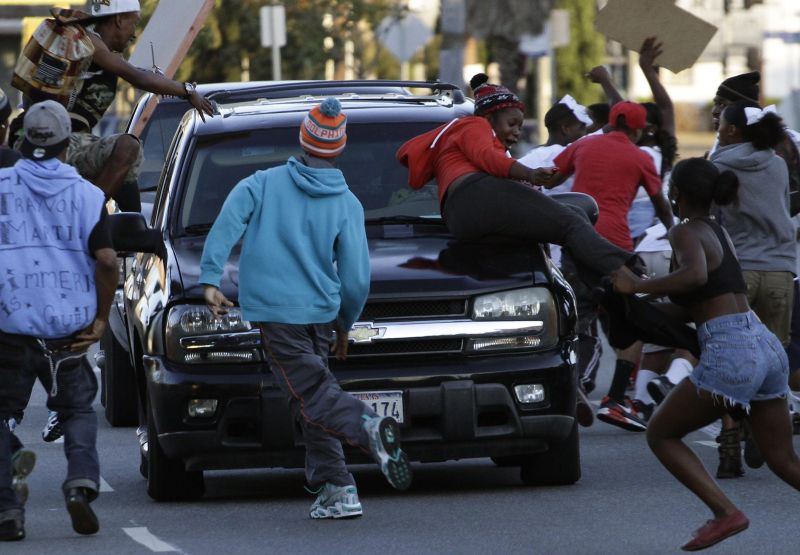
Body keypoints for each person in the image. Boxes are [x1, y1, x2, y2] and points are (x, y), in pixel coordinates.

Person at [200, 98, 412, 519]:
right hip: (320, 316)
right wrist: (346, 323)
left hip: (278, 315)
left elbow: (226, 223)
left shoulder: (261, 183)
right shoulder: (347, 203)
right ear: (339, 148)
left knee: (313, 394)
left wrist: (210, 278)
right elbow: (356, 278)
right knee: (308, 399)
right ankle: (338, 488)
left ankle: (366, 426)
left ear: (302, 141)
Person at [611, 157, 800, 552]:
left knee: (661, 433)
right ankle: (724, 513)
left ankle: (725, 513)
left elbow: (694, 276)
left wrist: (639, 285)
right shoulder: (719, 230)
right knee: (784, 460)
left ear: (674, 192)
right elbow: (695, 302)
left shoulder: (684, 232)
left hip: (731, 351)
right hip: (762, 342)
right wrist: (635, 310)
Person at [398, 73, 643, 291]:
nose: (516, 132)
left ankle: (603, 287)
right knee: (569, 222)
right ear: (489, 117)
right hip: (476, 195)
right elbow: (490, 160)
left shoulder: (462, 137)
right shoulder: (474, 125)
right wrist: (530, 174)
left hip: (462, 219)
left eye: (520, 126)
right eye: (512, 123)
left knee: (574, 215)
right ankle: (629, 269)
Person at [0, 101, 118, 541]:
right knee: (76, 409)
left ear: (22, 140)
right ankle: (81, 483)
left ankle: (8, 511)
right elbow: (106, 260)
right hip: (67, 330)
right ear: (70, 144)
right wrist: (102, 319)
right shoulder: (87, 196)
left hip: (9, 324)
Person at [15, 0, 214, 212]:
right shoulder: (90, 42)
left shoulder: (89, 47)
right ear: (118, 19)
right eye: (134, 23)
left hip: (50, 141)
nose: (134, 33)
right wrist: (188, 91)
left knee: (124, 170)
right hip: (59, 146)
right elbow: (140, 78)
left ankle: (133, 230)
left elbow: (138, 73)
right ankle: (88, 215)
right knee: (128, 148)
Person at [549, 100, 674, 432]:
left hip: (578, 242)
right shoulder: (641, 157)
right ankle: (616, 399)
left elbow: (551, 179)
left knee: (575, 319)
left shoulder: (583, 145)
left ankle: (566, 382)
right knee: (634, 321)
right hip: (617, 250)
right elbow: (660, 201)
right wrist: (675, 232)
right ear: (637, 129)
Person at [709, 100, 797, 478]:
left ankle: (729, 445)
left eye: (722, 122)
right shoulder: (777, 164)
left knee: (730, 359)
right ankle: (762, 436)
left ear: (731, 130)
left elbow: (711, 216)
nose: (716, 125)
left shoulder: (719, 166)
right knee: (773, 364)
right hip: (780, 271)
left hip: (738, 273)